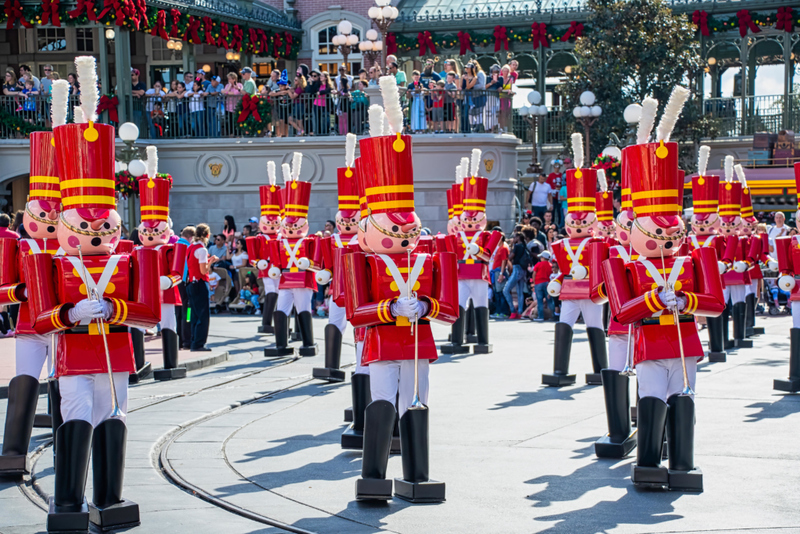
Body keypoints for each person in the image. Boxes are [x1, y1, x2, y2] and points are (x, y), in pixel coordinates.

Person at [544, 133, 606, 387]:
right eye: (575, 220)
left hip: (590, 289)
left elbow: (602, 267)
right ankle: (560, 369)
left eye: (583, 220)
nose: (578, 223)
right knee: (564, 324)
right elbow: (561, 268)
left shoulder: (597, 243)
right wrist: (557, 279)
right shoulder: (560, 245)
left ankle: (601, 368)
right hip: (569, 288)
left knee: (595, 326)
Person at [187, 223, 217, 352]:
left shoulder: (191, 247)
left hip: (191, 282)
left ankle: (193, 340)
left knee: (193, 314)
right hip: (199, 283)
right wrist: (211, 261)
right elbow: (204, 270)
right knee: (203, 315)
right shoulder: (202, 250)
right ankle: (199, 343)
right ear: (207, 235)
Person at [503, 232, 529, 319]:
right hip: (522, 270)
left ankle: (513, 310)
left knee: (505, 290)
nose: (513, 239)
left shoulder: (517, 246)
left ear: (518, 238)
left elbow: (510, 257)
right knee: (520, 292)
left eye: (514, 237)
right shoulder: (524, 246)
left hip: (516, 268)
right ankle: (520, 312)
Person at [532, 250, 553, 321]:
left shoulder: (538, 264)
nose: (540, 258)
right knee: (549, 300)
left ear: (543, 257)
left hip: (538, 283)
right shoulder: (550, 265)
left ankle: (541, 317)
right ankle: (553, 316)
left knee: (539, 301)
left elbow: (534, 274)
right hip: (547, 283)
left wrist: (534, 283)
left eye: (541, 257)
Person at [485, 65, 503, 132]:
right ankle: (487, 128)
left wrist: (500, 88)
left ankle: (493, 127)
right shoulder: (488, 78)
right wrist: (491, 83)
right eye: (494, 72)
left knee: (495, 113)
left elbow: (500, 87)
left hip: (495, 97)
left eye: (497, 72)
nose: (496, 74)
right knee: (488, 113)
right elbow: (485, 87)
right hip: (488, 97)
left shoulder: (500, 79)